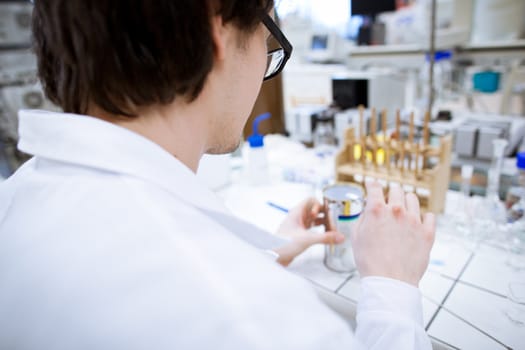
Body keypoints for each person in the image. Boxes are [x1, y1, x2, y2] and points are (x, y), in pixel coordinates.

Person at [0, 1, 435, 349]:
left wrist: (265, 254)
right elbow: (208, 294)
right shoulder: (249, 319)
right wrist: (392, 287)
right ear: (218, 28)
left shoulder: (18, 194)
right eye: (269, 42)